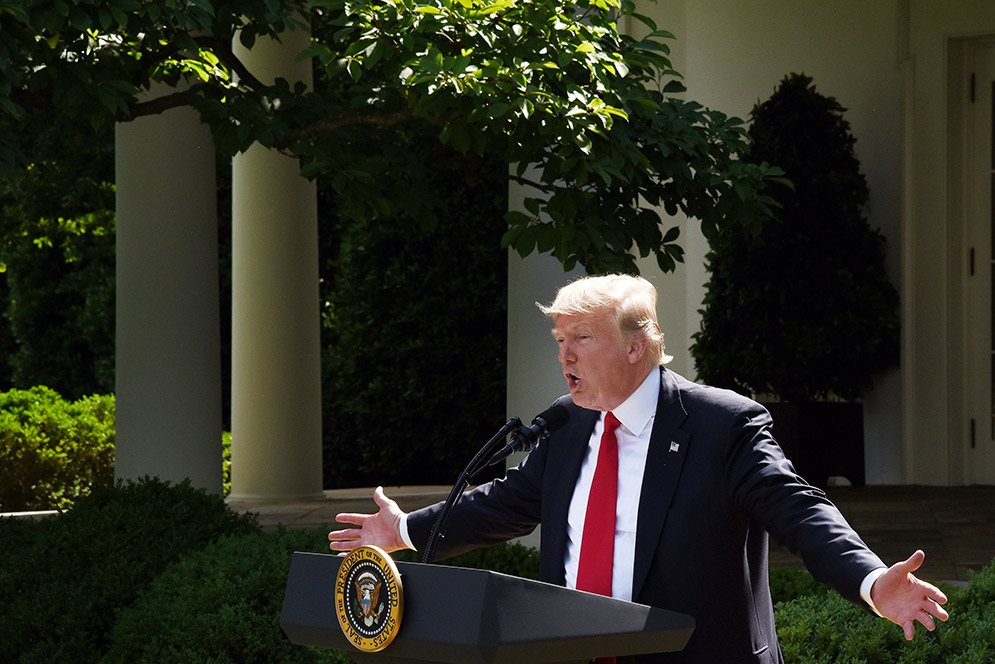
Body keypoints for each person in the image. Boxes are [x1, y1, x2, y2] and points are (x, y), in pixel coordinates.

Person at [329, 274, 948, 663]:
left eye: (582, 339)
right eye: (560, 340)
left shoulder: (722, 426)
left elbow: (801, 511)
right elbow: (509, 500)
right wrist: (405, 531)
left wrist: (872, 583)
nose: (565, 354)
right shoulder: (566, 424)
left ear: (635, 346)